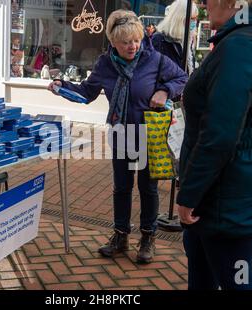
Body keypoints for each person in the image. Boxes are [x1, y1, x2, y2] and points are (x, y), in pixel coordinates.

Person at [48, 9, 188, 264]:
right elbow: (87, 92)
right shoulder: (105, 63)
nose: (132, 46)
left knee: (148, 187)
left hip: (148, 132)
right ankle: (120, 235)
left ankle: (147, 238)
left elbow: (182, 78)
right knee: (121, 187)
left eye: (135, 40)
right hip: (121, 131)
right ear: (113, 42)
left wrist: (165, 91)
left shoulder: (154, 60)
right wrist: (62, 88)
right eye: (125, 42)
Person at [175, 0, 252, 290]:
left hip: (225, 197)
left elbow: (220, 133)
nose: (203, 3)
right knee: (213, 274)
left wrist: (189, 194)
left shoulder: (240, 46)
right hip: (237, 189)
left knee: (236, 280)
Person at [152, 0, 198, 72]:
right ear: (180, 19)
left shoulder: (188, 39)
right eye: (192, 19)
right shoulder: (159, 39)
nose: (195, 22)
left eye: (196, 18)